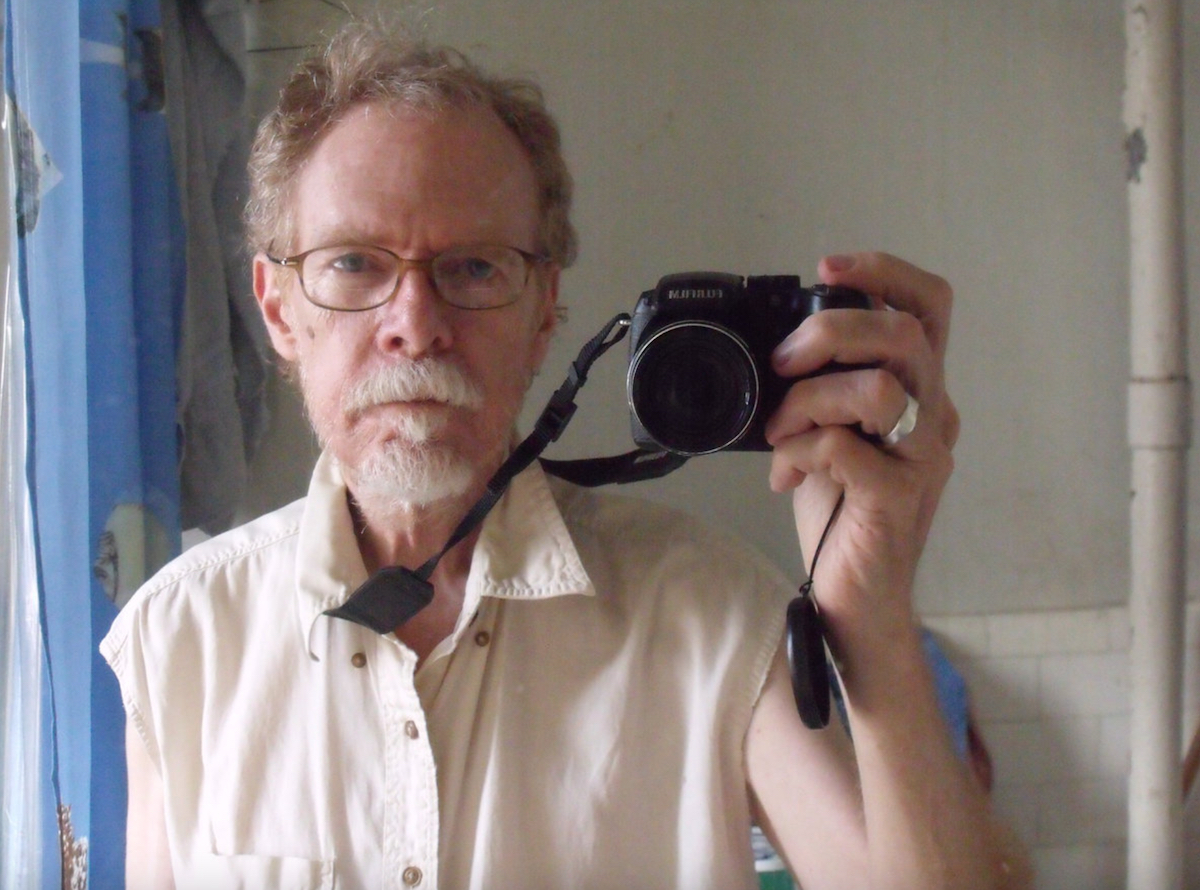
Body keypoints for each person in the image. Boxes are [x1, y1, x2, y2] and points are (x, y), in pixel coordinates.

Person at [101, 19, 1030, 890]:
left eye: (474, 268)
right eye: (353, 264)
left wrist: (872, 616)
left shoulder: (713, 619)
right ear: (277, 310)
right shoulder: (180, 641)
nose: (415, 324)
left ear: (544, 313)